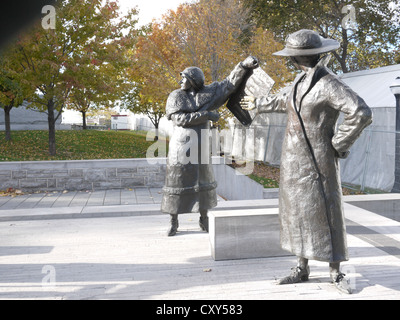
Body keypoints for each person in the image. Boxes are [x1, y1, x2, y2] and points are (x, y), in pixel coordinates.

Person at [240, 29, 372, 294]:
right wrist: (257, 102)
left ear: (294, 58)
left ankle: (335, 271)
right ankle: (301, 266)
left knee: (325, 210)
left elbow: (360, 111)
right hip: (292, 159)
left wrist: (337, 144)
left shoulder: (328, 83)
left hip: (318, 160)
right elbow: (283, 100)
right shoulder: (301, 80)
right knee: (296, 211)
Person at [162, 56, 258, 236]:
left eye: (184, 78)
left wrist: (243, 66)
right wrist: (207, 115)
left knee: (202, 182)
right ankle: (173, 222)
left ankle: (204, 218)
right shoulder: (176, 96)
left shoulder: (209, 93)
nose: (180, 80)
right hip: (180, 147)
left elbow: (229, 84)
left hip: (201, 147)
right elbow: (179, 119)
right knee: (176, 183)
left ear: (193, 81)